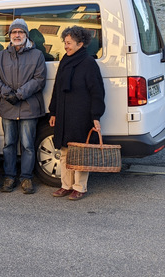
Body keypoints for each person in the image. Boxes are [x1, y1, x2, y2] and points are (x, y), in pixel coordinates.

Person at [0, 18, 47, 194]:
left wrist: (19, 94)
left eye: (20, 32)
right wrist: (8, 94)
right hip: (8, 106)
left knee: (28, 145)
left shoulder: (37, 55)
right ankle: (9, 176)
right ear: (9, 35)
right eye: (14, 32)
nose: (17, 35)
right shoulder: (1, 55)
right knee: (9, 144)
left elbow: (39, 79)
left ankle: (27, 178)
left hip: (29, 107)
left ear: (26, 35)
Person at [48, 26, 105, 201]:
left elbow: (97, 92)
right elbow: (57, 88)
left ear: (80, 44)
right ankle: (66, 185)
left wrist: (96, 116)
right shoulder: (65, 60)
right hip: (64, 114)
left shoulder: (88, 63)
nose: (66, 46)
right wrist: (54, 112)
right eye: (65, 43)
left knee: (80, 152)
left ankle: (80, 187)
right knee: (64, 150)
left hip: (81, 115)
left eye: (69, 43)